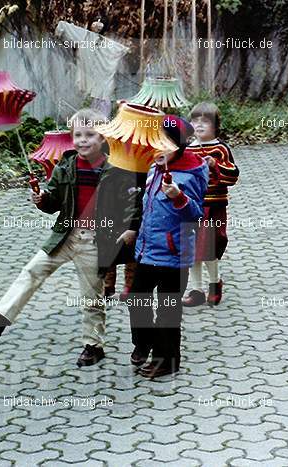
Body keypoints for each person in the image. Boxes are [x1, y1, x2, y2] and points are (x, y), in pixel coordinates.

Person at [0, 108, 133, 367]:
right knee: (32, 271)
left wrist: (128, 229)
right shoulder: (67, 164)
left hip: (95, 242)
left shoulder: (115, 169)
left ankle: (93, 345)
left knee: (91, 298)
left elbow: (130, 204)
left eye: (90, 135)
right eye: (78, 135)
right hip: (64, 236)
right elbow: (53, 200)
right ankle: (0, 317)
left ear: (103, 137)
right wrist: (42, 199)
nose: (82, 140)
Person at [126, 116, 209, 378]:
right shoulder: (154, 167)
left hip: (175, 255)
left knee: (167, 310)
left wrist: (178, 196)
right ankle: (144, 342)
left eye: (164, 143)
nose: (157, 148)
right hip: (146, 250)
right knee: (137, 299)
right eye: (154, 142)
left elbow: (195, 215)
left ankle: (168, 360)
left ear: (180, 145)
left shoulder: (192, 173)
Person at [182, 102, 239, 307]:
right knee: (191, 249)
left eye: (205, 121)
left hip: (213, 206)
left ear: (216, 126)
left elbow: (233, 176)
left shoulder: (220, 148)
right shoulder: (188, 148)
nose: (199, 125)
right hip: (191, 208)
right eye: (195, 120)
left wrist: (215, 166)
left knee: (209, 248)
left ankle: (215, 283)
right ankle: (196, 290)